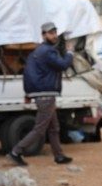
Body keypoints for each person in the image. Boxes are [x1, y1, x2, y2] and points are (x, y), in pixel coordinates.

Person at [6, 22, 74, 166]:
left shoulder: (37, 52)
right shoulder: (48, 52)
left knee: (54, 127)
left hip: (42, 94)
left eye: (55, 32)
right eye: (51, 33)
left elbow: (28, 73)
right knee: (40, 128)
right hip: (46, 95)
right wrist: (69, 53)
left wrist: (29, 92)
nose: (54, 36)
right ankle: (16, 152)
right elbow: (62, 65)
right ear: (43, 35)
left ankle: (59, 156)